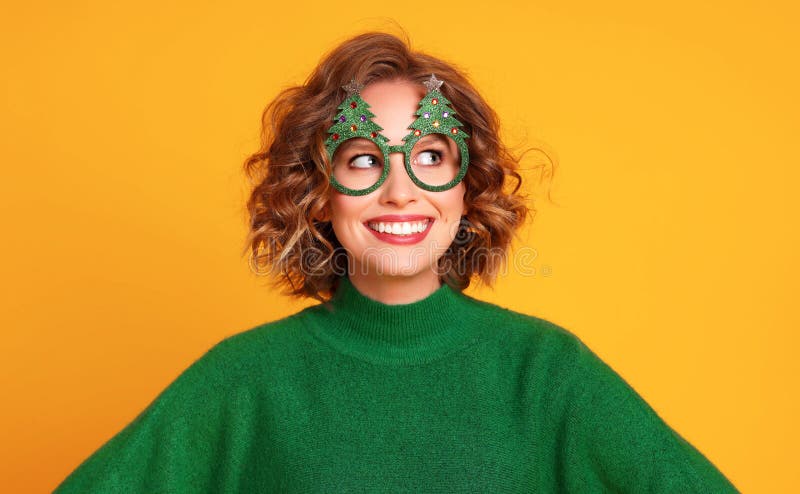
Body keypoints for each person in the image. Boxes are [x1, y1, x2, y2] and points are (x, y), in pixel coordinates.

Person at [54, 32, 739, 493]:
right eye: (362, 160)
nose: (400, 188)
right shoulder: (243, 381)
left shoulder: (545, 372)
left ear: (468, 189)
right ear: (317, 194)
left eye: (431, 157)